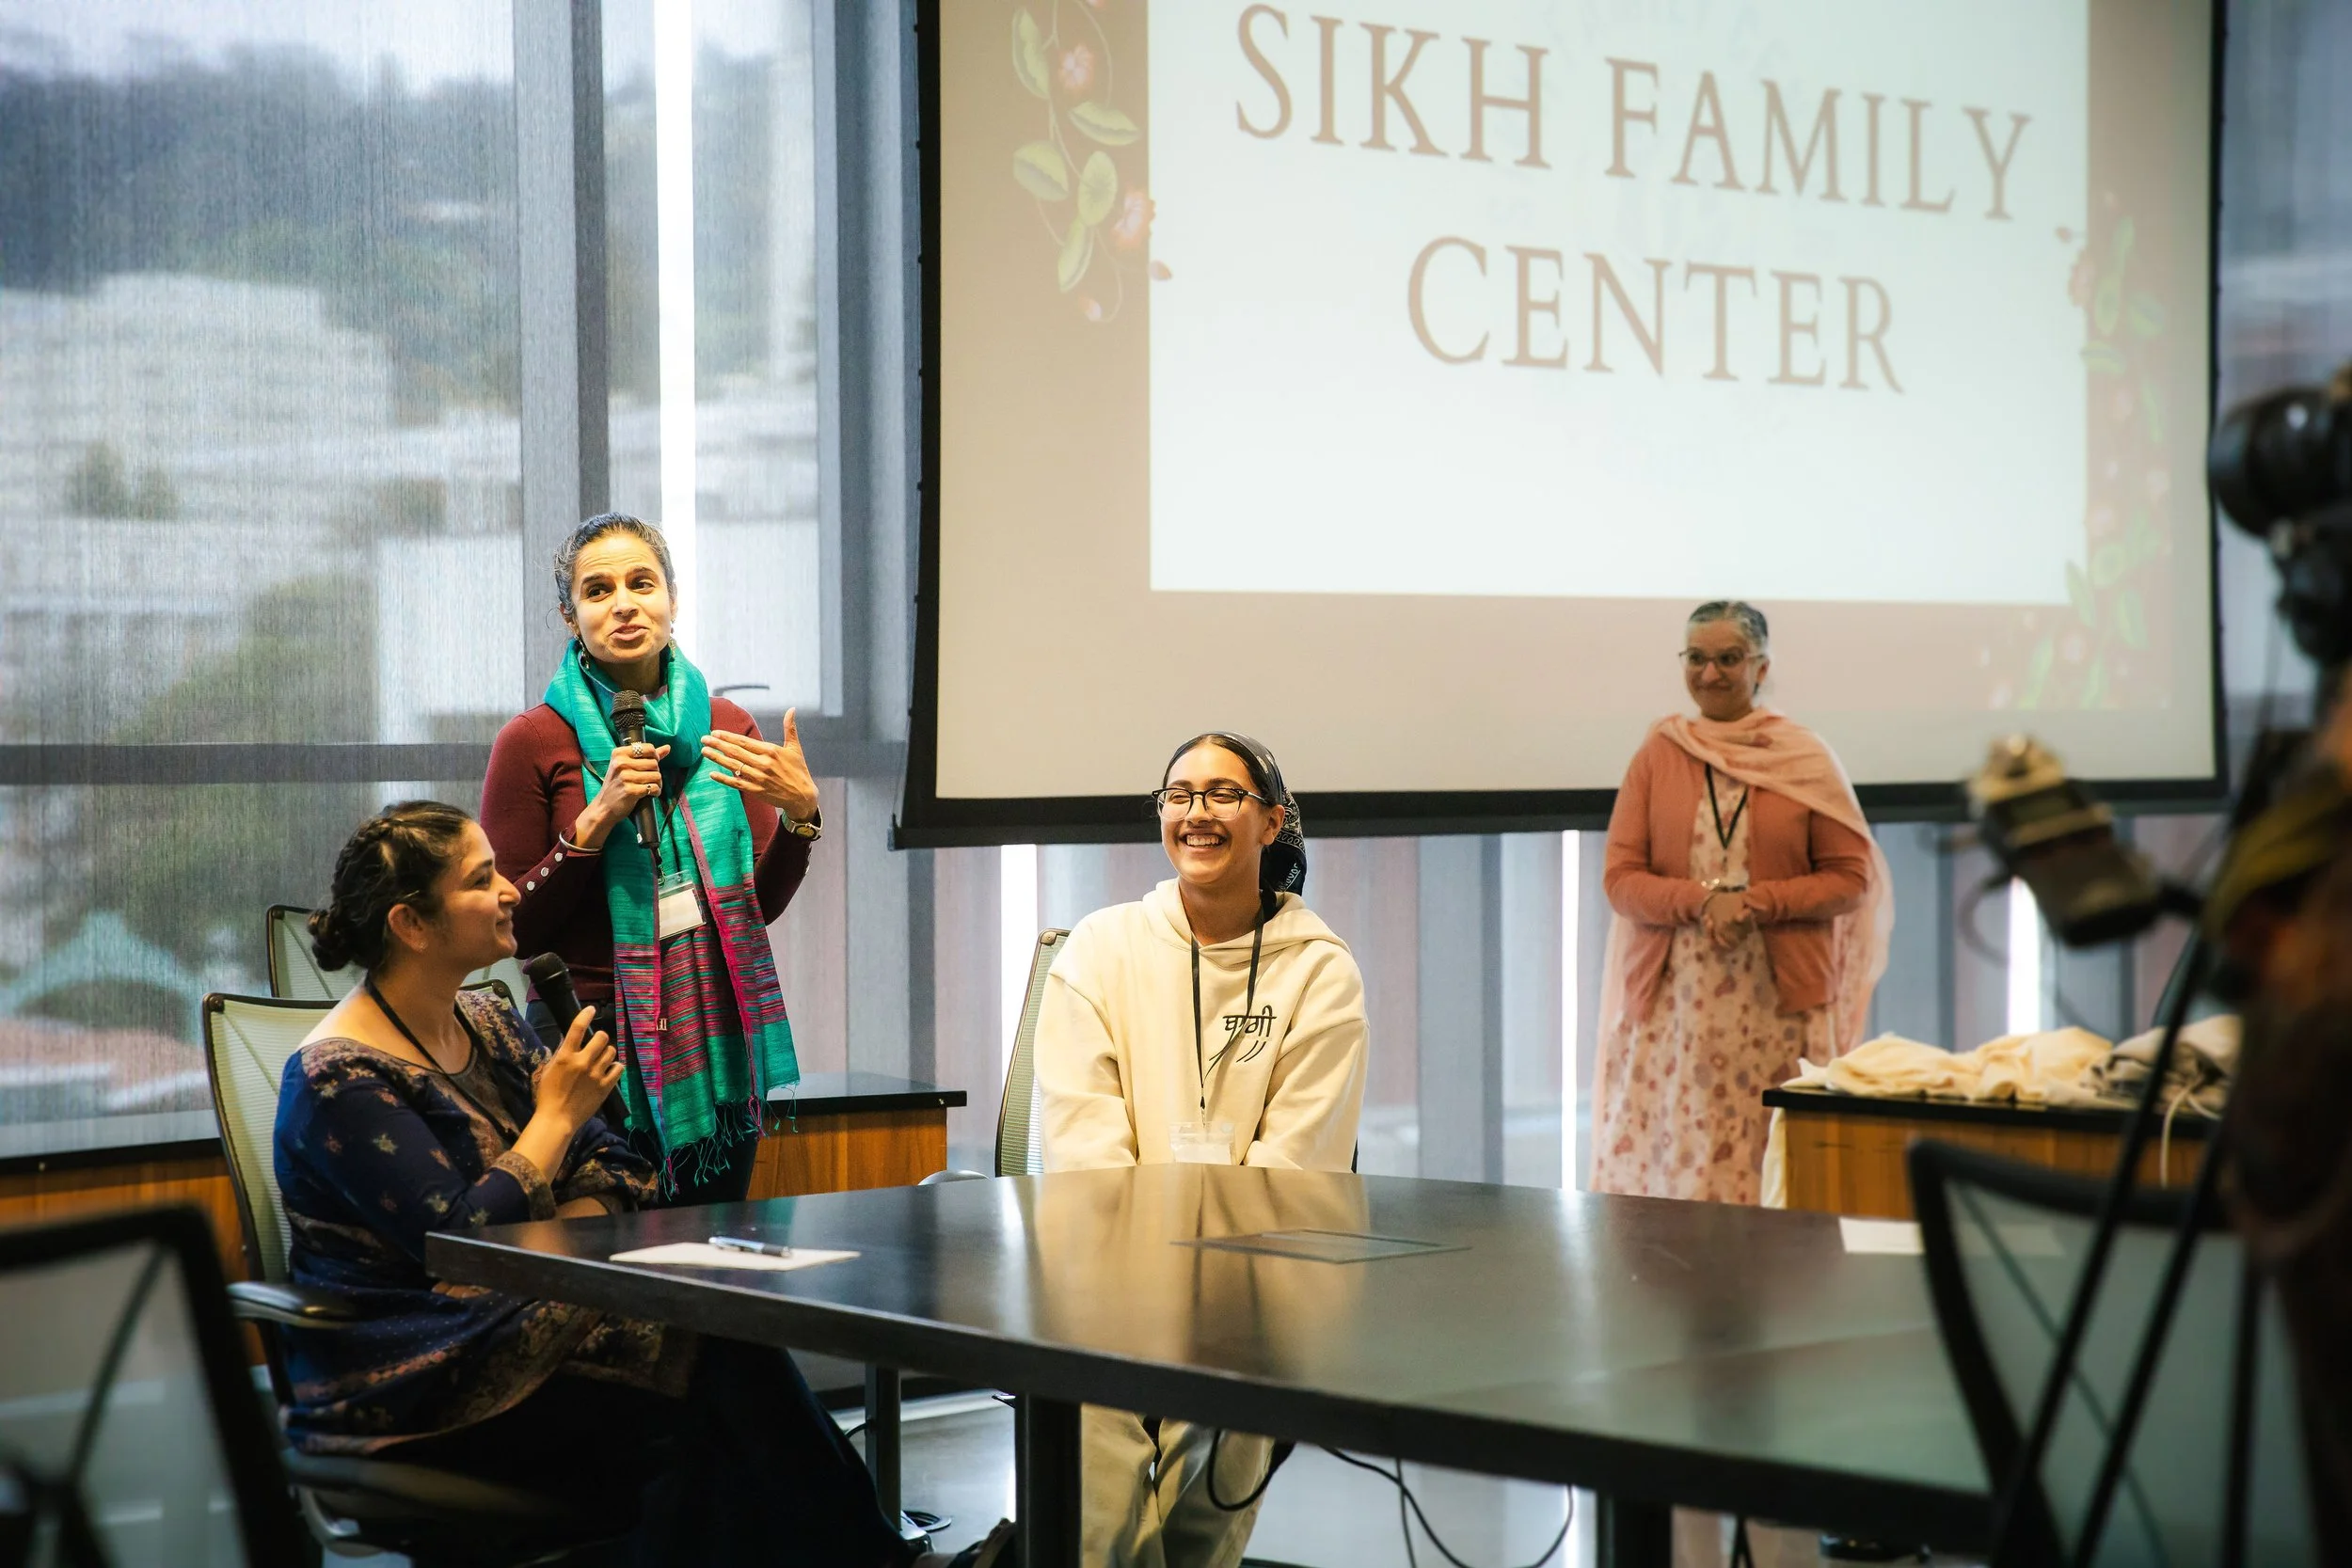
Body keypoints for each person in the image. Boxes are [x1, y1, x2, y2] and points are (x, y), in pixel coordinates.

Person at [271, 801, 1014, 1567]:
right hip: (417, 1373)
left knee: (713, 1361)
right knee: (704, 1368)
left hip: (531, 1318)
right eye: (482, 879)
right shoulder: (341, 1078)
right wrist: (553, 1123)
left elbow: (624, 1170)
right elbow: (460, 1246)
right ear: (411, 923)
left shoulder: (487, 1023)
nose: (512, 892)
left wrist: (551, 1204)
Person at [1034, 732, 1369, 1568]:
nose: (1197, 813)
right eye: (1179, 795)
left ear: (1272, 823)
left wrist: (1205, 1284)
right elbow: (1083, 1149)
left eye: (1223, 794)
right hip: (1103, 1283)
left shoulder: (1320, 971)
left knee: (1203, 1518)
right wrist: (1146, 1276)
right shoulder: (1101, 950)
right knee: (1099, 1529)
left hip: (1248, 1292)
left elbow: (1298, 1165)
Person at [481, 513, 819, 1205]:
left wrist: (801, 818)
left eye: (642, 583)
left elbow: (760, 904)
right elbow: (513, 925)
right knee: (613, 1273)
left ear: (672, 598)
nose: (624, 603)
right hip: (588, 1042)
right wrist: (595, 822)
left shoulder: (727, 728)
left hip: (717, 1034)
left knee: (712, 1260)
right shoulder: (532, 740)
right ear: (570, 617)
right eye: (598, 590)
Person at [1592, 601, 1891, 1206]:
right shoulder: (1660, 752)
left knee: (1774, 1177)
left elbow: (1852, 878)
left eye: (1728, 659)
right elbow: (1622, 879)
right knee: (1682, 1180)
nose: (1710, 674)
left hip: (1778, 1009)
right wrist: (1701, 903)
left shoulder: (1804, 757)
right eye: (1696, 659)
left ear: (1760, 667)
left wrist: (1757, 903)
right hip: (1675, 1010)